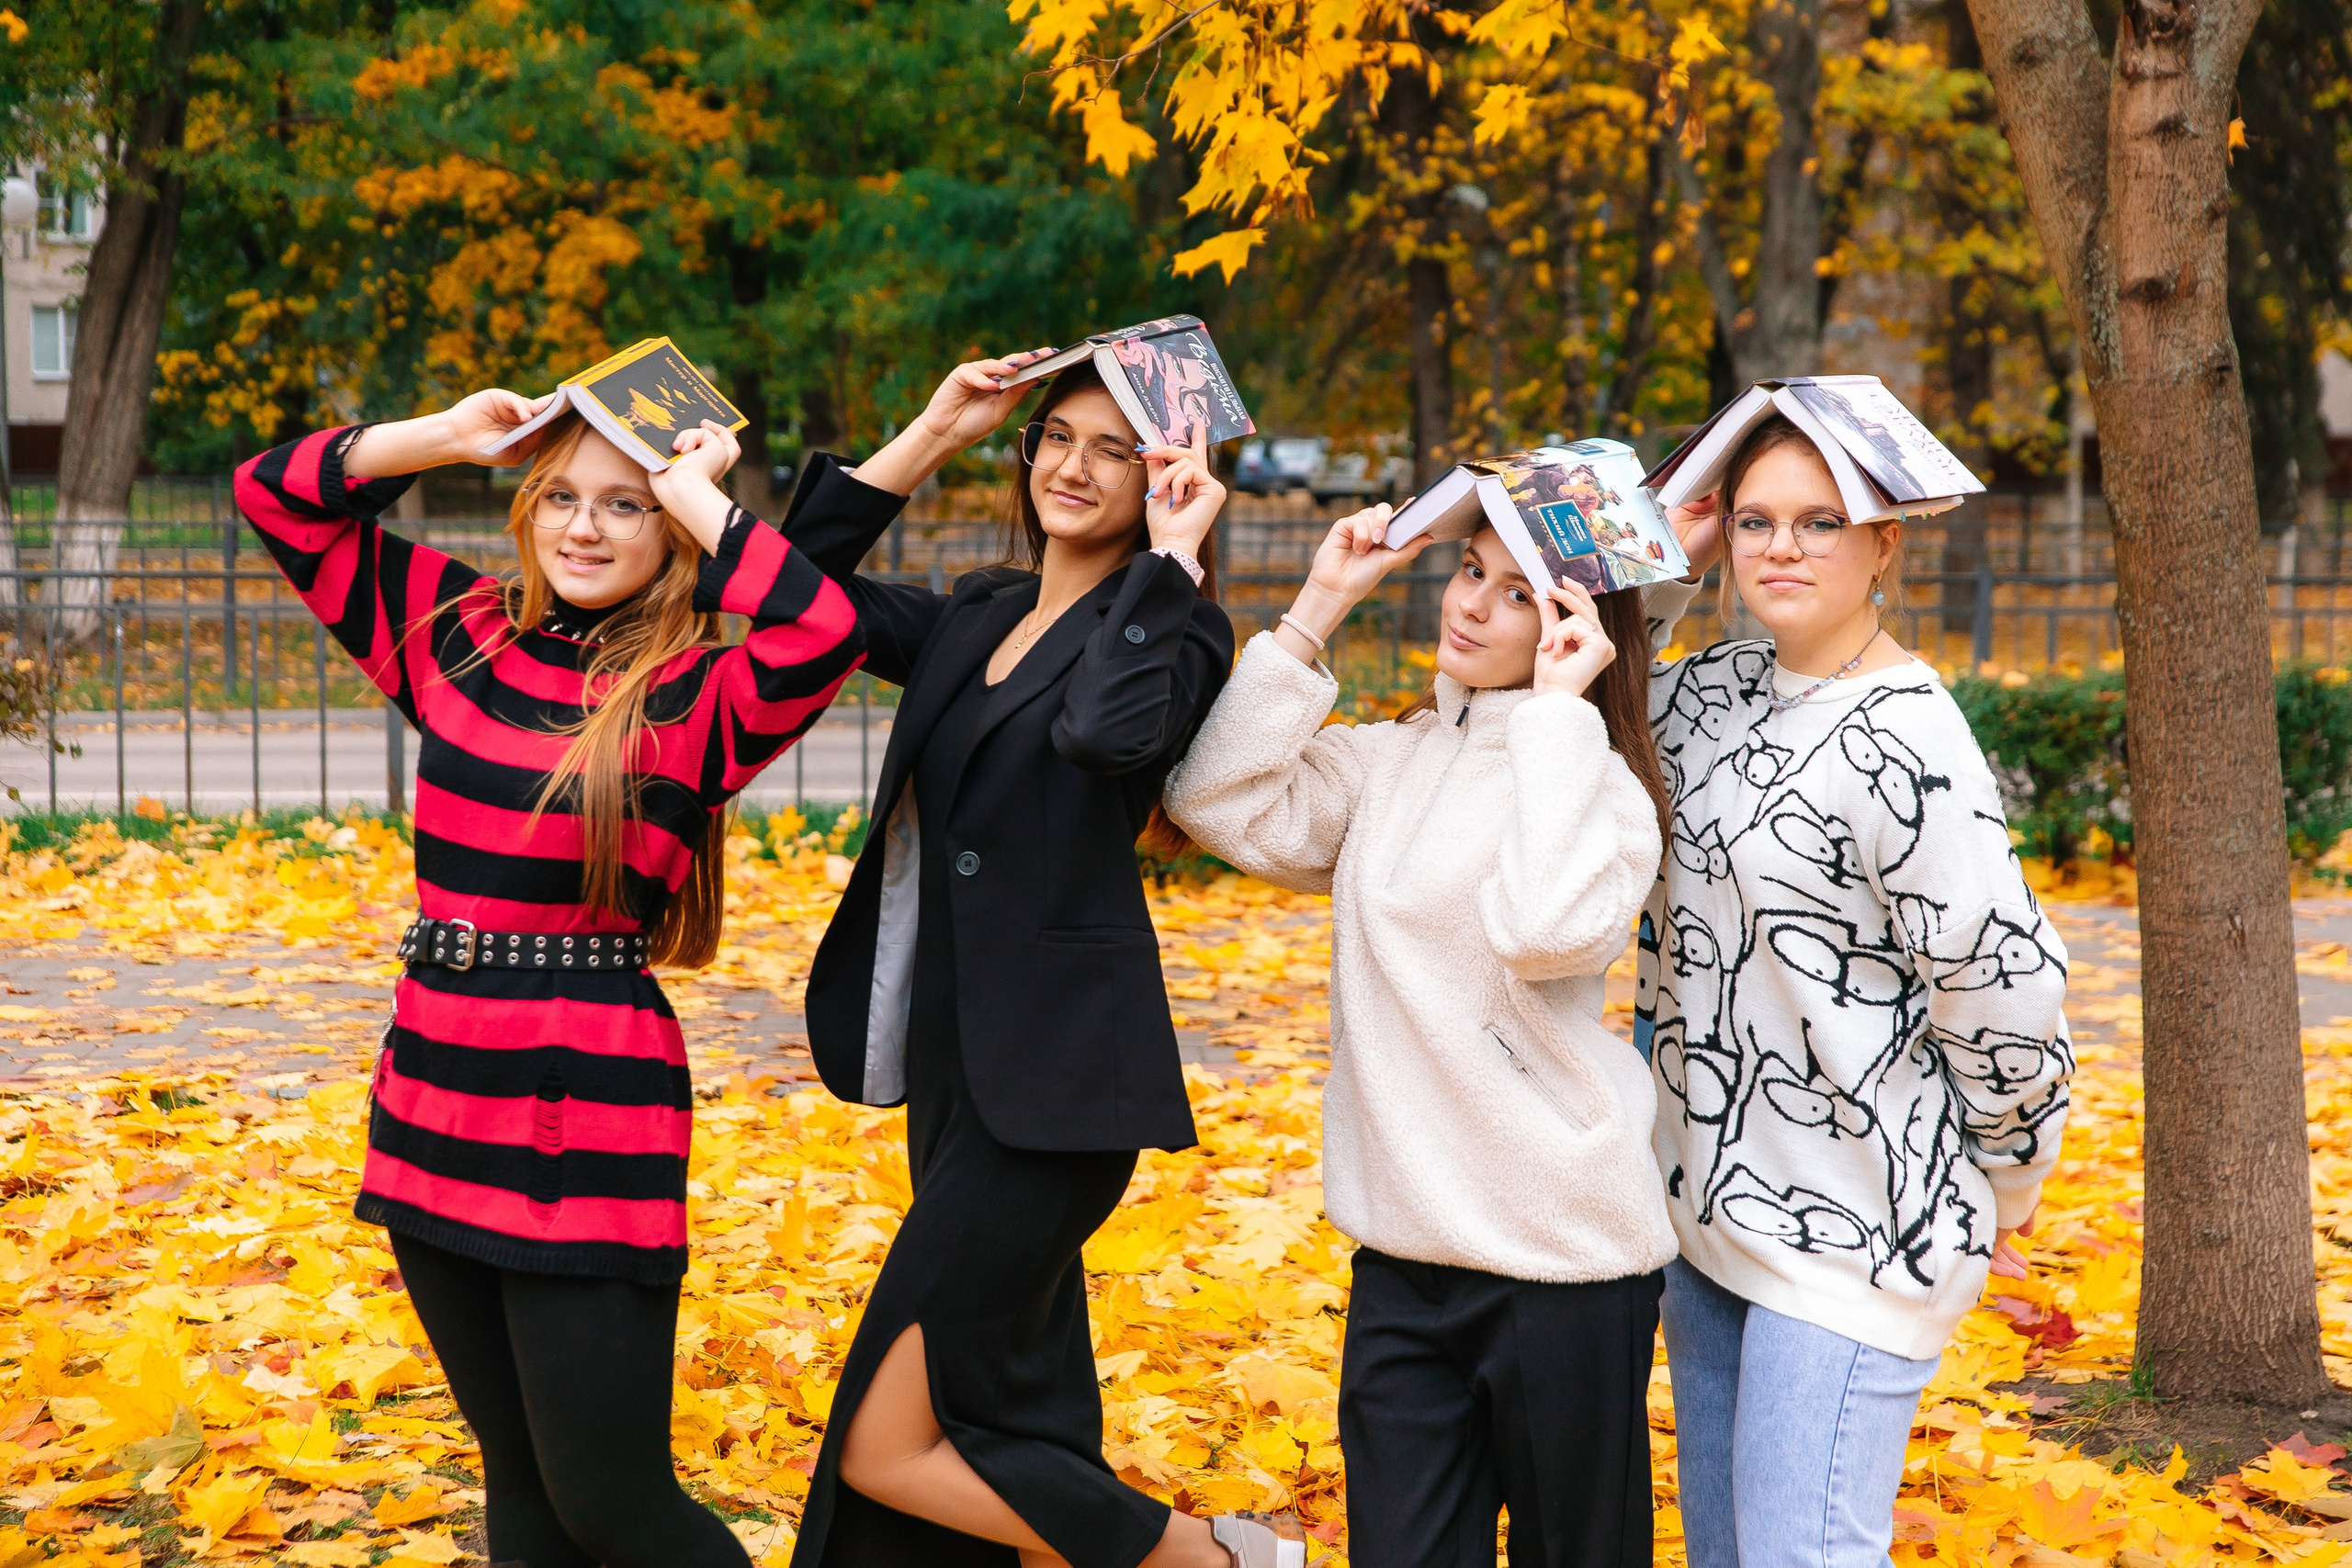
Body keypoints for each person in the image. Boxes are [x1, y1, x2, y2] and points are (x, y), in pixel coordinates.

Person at [233, 394, 867, 1568]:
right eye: (562, 496)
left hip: (584, 1111)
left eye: (625, 506)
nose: (584, 529)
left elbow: (821, 630)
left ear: (673, 527)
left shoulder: (698, 695)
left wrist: (697, 490)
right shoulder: (458, 633)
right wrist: (447, 439)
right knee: (517, 1484)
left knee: (612, 1503)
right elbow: (274, 496)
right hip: (430, 1086)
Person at [777, 352, 1293, 1568]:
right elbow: (787, 587)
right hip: (957, 1077)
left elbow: (1103, 729)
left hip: (1059, 1096)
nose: (1072, 464)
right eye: (1057, 436)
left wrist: (1168, 561)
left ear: (1166, 471)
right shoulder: (979, 608)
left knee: (882, 1433)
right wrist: (932, 429)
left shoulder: (1182, 632)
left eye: (1113, 448)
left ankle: (1214, 1559)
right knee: (1002, 1404)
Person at [1163, 509, 1678, 1568]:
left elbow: (1547, 933)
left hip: (1561, 1259)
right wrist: (1320, 605)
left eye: (1518, 593)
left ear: (1578, 624)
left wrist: (1554, 716)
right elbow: (1212, 799)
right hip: (1402, 1253)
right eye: (1468, 570)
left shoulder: (1599, 782)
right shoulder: (1390, 759)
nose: (1471, 603)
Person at [1639, 413, 2074, 1568]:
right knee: (1727, 1554)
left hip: (1860, 1230)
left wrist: (2009, 1179)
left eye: (1820, 523)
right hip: (1708, 1215)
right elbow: (1591, 700)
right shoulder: (1710, 695)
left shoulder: (1909, 738)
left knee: (1800, 1557)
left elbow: (2003, 983)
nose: (1781, 549)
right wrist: (1665, 570)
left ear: (1884, 543)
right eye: (1754, 522)